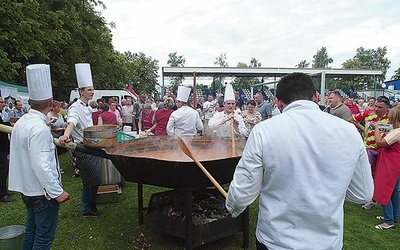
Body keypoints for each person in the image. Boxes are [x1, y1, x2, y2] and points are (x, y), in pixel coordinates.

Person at [225, 73, 373, 250]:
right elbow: (362, 194)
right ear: (316, 97)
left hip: (276, 241)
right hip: (327, 243)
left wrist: (231, 207)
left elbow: (243, 191)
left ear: (279, 103)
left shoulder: (264, 131)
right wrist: (332, 187)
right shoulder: (349, 132)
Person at [9, 64, 70, 249]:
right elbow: (41, 164)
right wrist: (56, 192)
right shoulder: (39, 129)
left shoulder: (23, 122)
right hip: (42, 193)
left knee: (32, 231)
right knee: (43, 238)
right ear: (51, 103)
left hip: (28, 190)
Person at [59, 63, 101, 217]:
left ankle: (90, 207)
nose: (92, 92)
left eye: (92, 89)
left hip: (92, 146)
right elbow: (72, 122)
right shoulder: (75, 107)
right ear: (81, 91)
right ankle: (87, 208)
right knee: (92, 179)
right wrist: (65, 134)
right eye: (89, 89)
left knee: (92, 180)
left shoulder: (88, 107)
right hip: (82, 148)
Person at [348, 95, 391, 209]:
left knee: (382, 176)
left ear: (387, 107)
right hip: (370, 148)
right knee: (369, 174)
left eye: (380, 107)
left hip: (385, 150)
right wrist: (364, 130)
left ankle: (385, 199)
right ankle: (372, 199)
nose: (376, 109)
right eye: (375, 106)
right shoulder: (368, 113)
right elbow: (351, 119)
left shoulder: (392, 116)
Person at [370, 106, 400, 230]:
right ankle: (393, 216)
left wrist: (376, 129)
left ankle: (388, 221)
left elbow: (380, 143)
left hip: (390, 164)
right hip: (395, 163)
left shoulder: (397, 131)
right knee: (394, 191)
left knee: (383, 189)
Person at [0, 96, 14, 202]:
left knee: (4, 170)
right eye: (1, 102)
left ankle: (3, 190)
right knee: (2, 170)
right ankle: (2, 194)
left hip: (3, 147)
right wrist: (9, 124)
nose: (3, 104)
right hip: (1, 148)